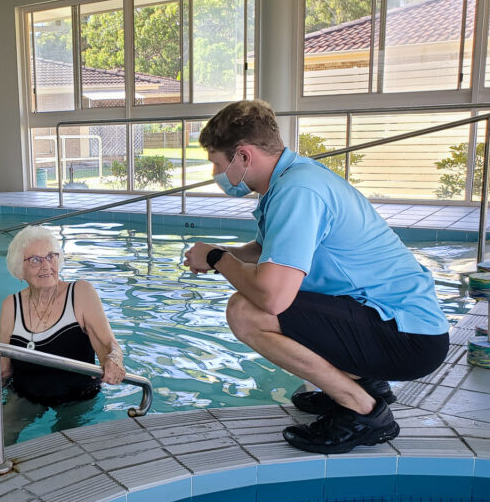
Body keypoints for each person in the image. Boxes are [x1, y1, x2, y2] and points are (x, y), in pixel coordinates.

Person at [184, 100, 449, 454]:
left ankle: (363, 410)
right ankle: (365, 382)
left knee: (245, 311)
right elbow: (268, 253)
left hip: (408, 337)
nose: (217, 173)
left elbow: (272, 297)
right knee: (264, 302)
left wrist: (216, 258)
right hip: (396, 322)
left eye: (217, 163)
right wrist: (223, 253)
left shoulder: (298, 192)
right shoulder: (296, 178)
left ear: (243, 156)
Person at [0, 225, 125, 444]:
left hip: (77, 396)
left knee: (63, 447)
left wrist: (113, 360)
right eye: (35, 260)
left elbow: (107, 345)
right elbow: (3, 369)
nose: (46, 265)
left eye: (50, 257)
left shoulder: (80, 293)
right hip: (28, 394)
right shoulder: (11, 306)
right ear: (19, 269)